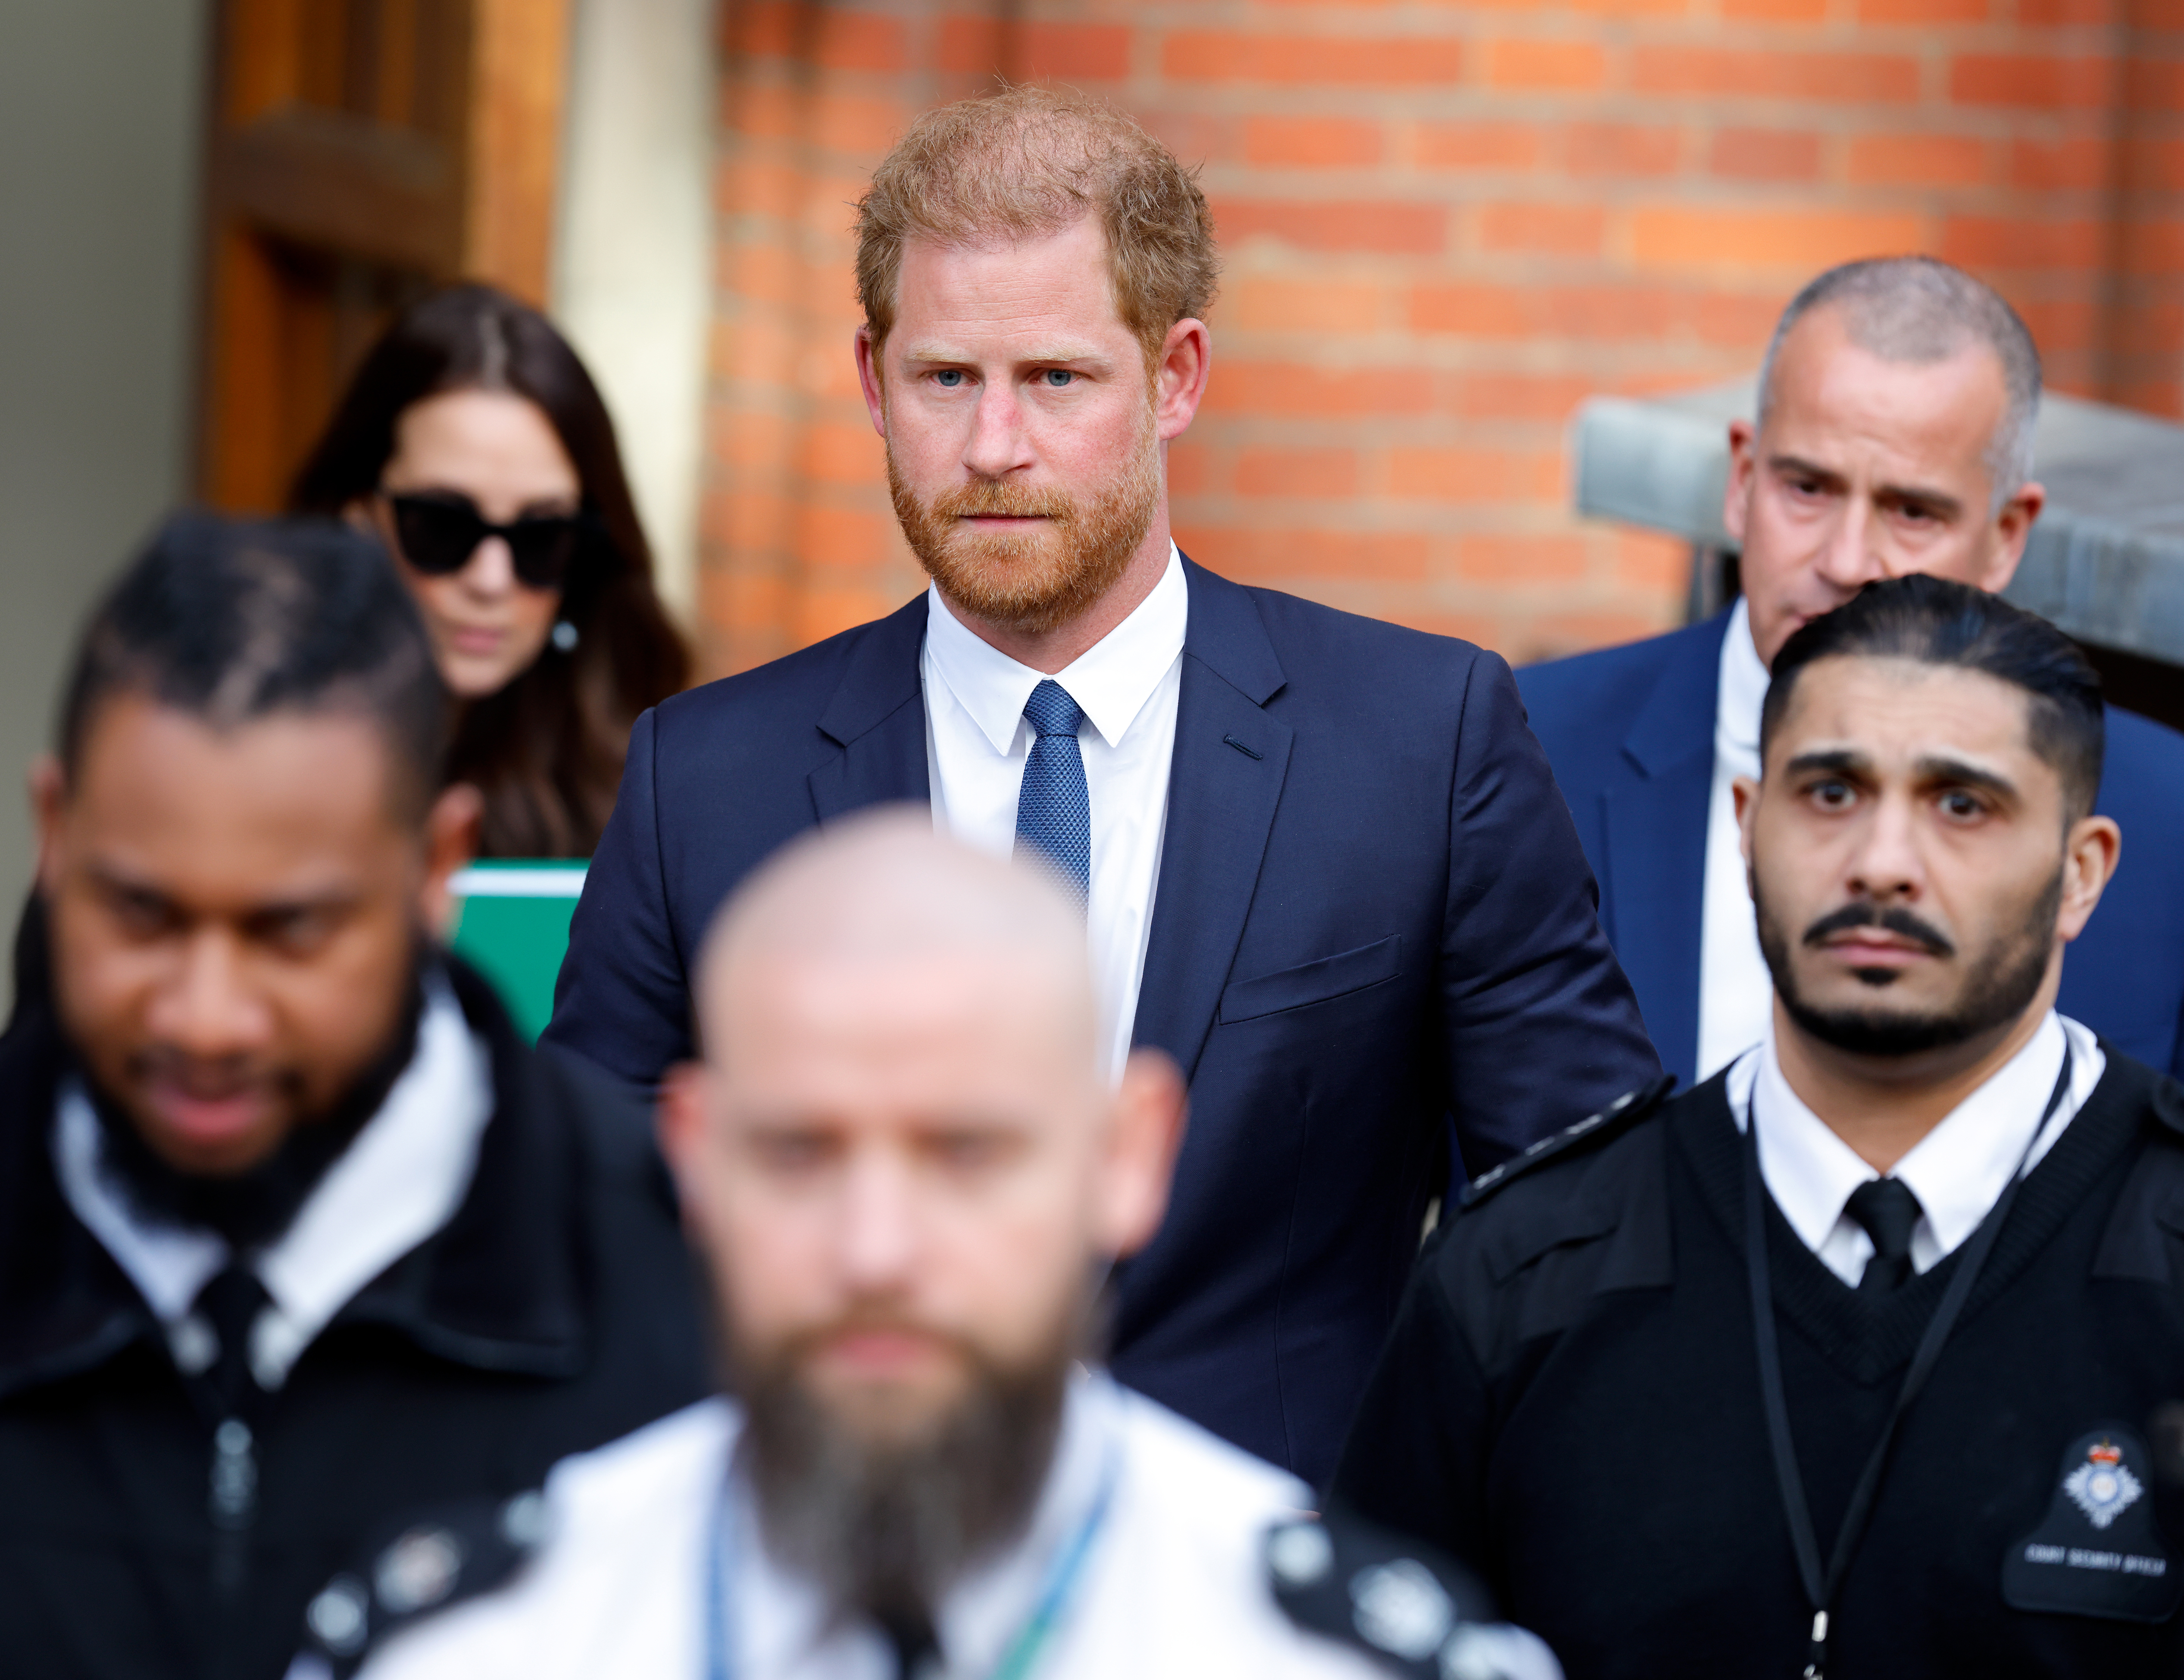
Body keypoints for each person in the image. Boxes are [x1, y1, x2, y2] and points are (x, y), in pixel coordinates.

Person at [544, 87, 1659, 1486]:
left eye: (1055, 380)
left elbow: (1587, 1234)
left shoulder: (1417, 739)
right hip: (835, 1562)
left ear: (1175, 374)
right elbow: (579, 1235)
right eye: (945, 378)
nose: (994, 445)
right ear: (870, 375)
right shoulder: (703, 776)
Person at [322, 815, 1559, 1680]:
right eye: (800, 1153)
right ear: (692, 1157)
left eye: (966, 1155)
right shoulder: (473, 1645)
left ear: (1125, 1158)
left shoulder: (1335, 1659)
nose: (876, 1249)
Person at [0, 515, 708, 1680]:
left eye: (294, 931)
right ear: (54, 836)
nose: (206, 1017)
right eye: (142, 915)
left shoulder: (681, 1306)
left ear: (435, 869)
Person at [1331, 575, 2184, 1677]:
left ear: (2082, 874)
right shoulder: (1523, 1277)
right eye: (1831, 792)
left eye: (1961, 804)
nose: (1882, 860)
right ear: (1747, 825)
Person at [1519, 256, 2184, 1088]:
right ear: (1741, 480)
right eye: (1807, 488)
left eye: (1912, 510)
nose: (1845, 560)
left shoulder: (2167, 816)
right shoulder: (1521, 756)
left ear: (2008, 534)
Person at [290, 283, 690, 858]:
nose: (490, 579)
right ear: (359, 514)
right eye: (442, 524)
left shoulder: (649, 786)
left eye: (541, 537)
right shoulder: (239, 737)